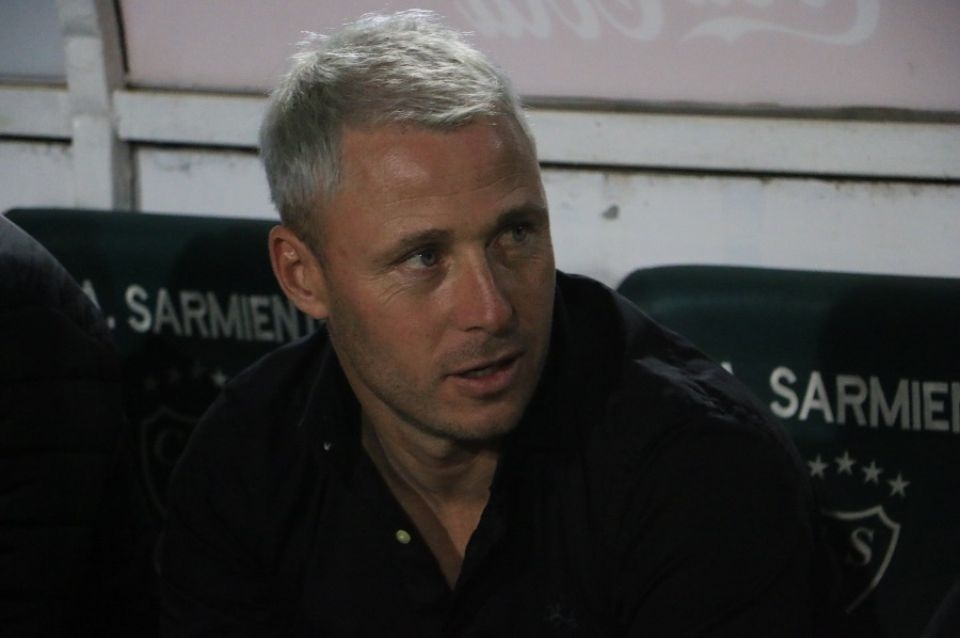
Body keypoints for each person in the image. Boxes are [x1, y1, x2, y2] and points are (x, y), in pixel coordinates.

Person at [158, 10, 826, 636]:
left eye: (515, 235)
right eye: (424, 257)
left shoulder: (699, 467)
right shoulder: (247, 459)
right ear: (303, 275)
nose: (492, 310)